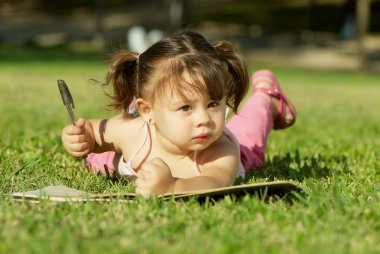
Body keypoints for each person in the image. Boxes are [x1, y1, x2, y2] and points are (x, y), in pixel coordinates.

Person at [61, 31, 296, 197]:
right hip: (144, 135)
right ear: (146, 111)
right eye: (185, 107)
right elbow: (95, 130)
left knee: (249, 132)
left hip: (240, 152)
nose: (204, 119)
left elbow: (215, 183)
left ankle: (267, 98)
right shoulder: (132, 131)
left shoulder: (219, 149)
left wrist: (172, 187)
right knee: (100, 159)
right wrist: (83, 138)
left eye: (213, 103)